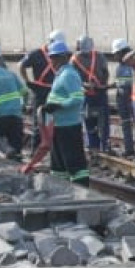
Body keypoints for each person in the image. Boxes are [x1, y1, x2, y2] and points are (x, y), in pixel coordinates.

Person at [41, 36, 87, 182]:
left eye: (54, 58)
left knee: (74, 163)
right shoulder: (61, 74)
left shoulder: (68, 75)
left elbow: (78, 98)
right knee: (59, 164)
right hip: (59, 126)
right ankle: (62, 188)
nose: (51, 61)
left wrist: (59, 105)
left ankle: (81, 191)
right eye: (51, 58)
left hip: (69, 127)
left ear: (62, 58)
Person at [70, 35, 111, 155]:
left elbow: (105, 73)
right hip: (91, 94)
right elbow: (105, 73)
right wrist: (100, 84)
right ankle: (97, 145)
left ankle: (100, 145)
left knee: (95, 120)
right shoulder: (98, 56)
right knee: (92, 120)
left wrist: (99, 84)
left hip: (92, 94)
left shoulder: (76, 59)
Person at [110, 38, 135, 157]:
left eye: (116, 54)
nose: (114, 56)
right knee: (126, 124)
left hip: (131, 99)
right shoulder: (120, 67)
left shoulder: (131, 65)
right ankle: (129, 148)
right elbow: (119, 83)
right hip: (122, 99)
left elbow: (131, 84)